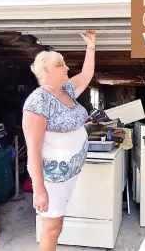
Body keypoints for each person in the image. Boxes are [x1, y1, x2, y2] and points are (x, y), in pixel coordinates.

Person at [22, 31, 96, 251]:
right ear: (46, 70)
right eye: (61, 65)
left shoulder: (66, 91)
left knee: (57, 224)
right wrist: (39, 189)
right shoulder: (38, 101)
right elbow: (33, 148)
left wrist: (90, 47)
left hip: (67, 173)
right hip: (51, 178)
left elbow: (86, 75)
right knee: (51, 227)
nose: (66, 69)